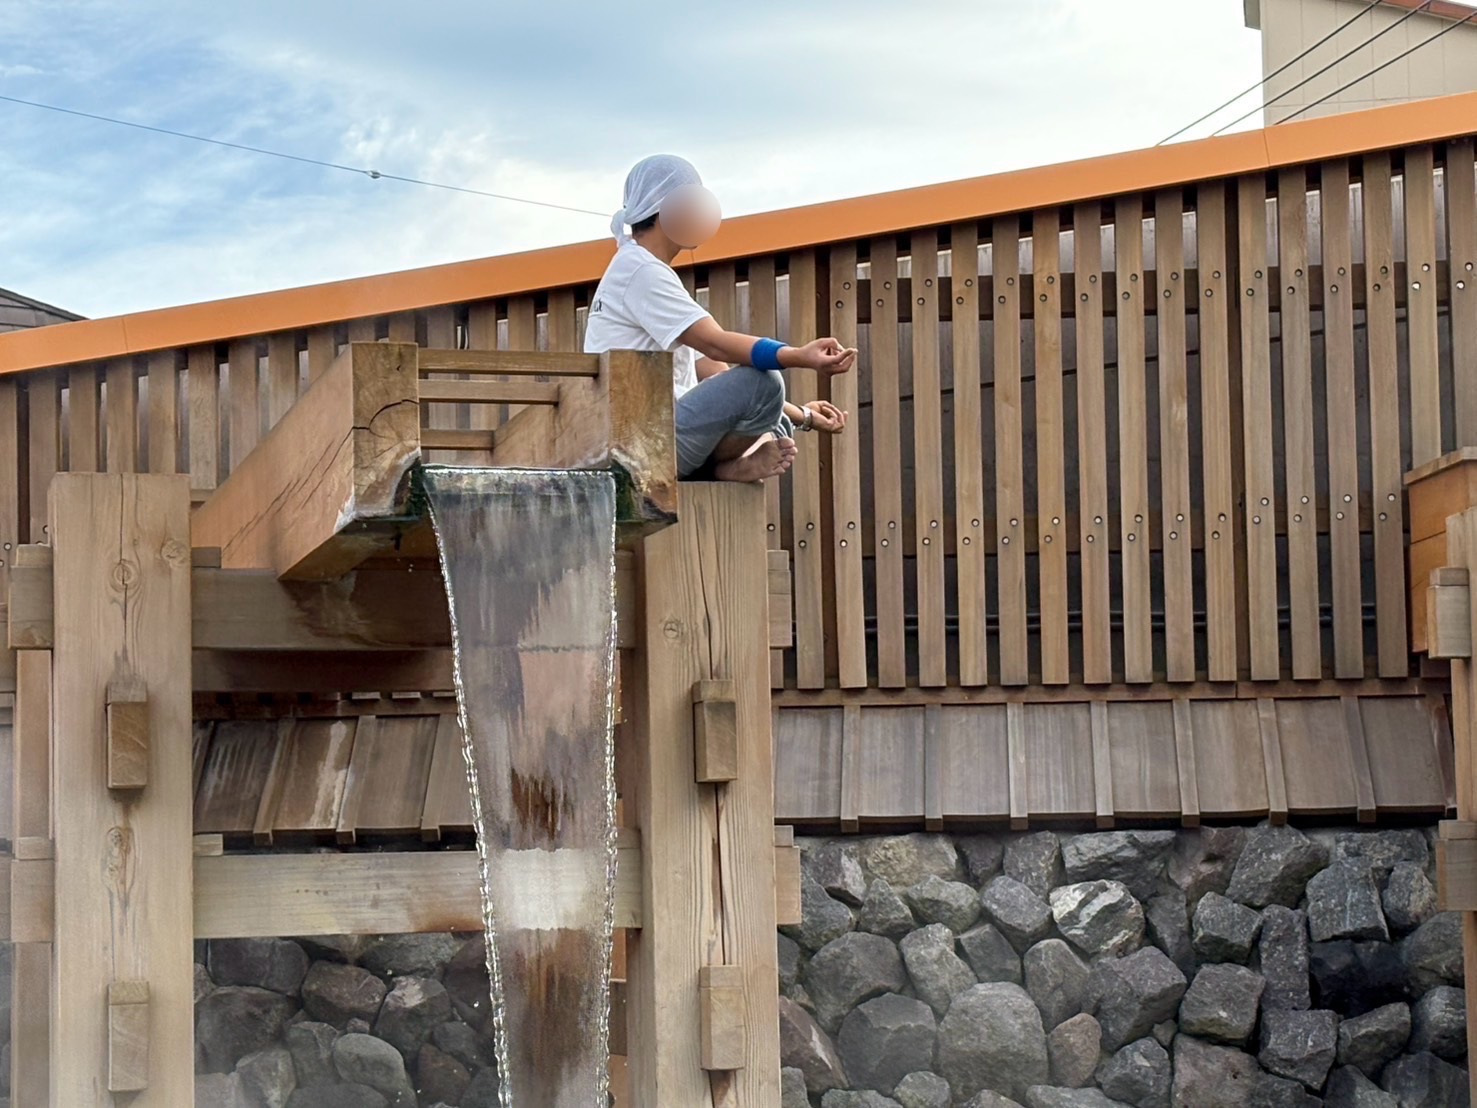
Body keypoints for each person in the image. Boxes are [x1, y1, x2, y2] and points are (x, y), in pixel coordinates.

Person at [584, 154, 857, 483]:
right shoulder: (641, 271)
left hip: (656, 435)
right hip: (644, 446)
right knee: (765, 384)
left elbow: (716, 374)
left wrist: (805, 415)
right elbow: (715, 344)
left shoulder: (643, 269)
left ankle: (722, 467)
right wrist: (798, 356)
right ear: (667, 209)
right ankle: (720, 468)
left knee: (772, 413)